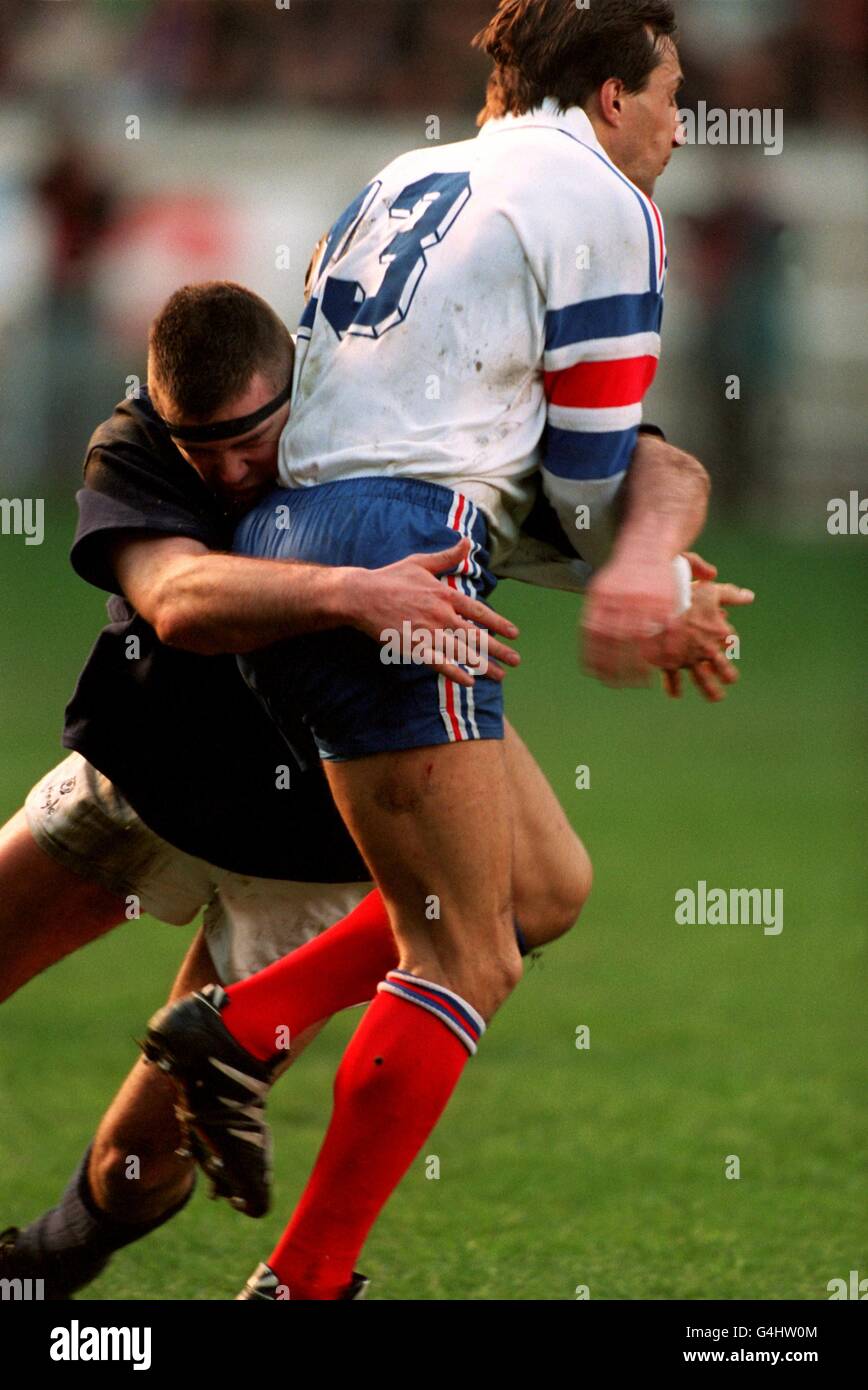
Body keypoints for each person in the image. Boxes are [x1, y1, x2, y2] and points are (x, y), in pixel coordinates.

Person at [144, 0, 753, 1301]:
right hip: (400, 550)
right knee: (464, 953)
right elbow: (585, 483)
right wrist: (653, 578)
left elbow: (420, 414)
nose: (680, 122)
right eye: (669, 93)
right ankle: (303, 1284)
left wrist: (651, 563)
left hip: (302, 539)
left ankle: (238, 1025)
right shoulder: (601, 198)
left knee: (542, 888)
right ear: (606, 99)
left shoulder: (411, 171)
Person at [3, 278, 740, 1298]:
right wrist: (354, 591)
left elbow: (654, 459)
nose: (227, 470)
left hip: (315, 841)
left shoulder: (398, 429)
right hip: (151, 770)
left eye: (249, 442)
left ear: (300, 390)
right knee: (537, 890)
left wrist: (654, 567)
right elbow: (175, 598)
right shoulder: (135, 439)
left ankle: (40, 1268)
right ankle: (302, 1274)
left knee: (136, 1160)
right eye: (199, 451)